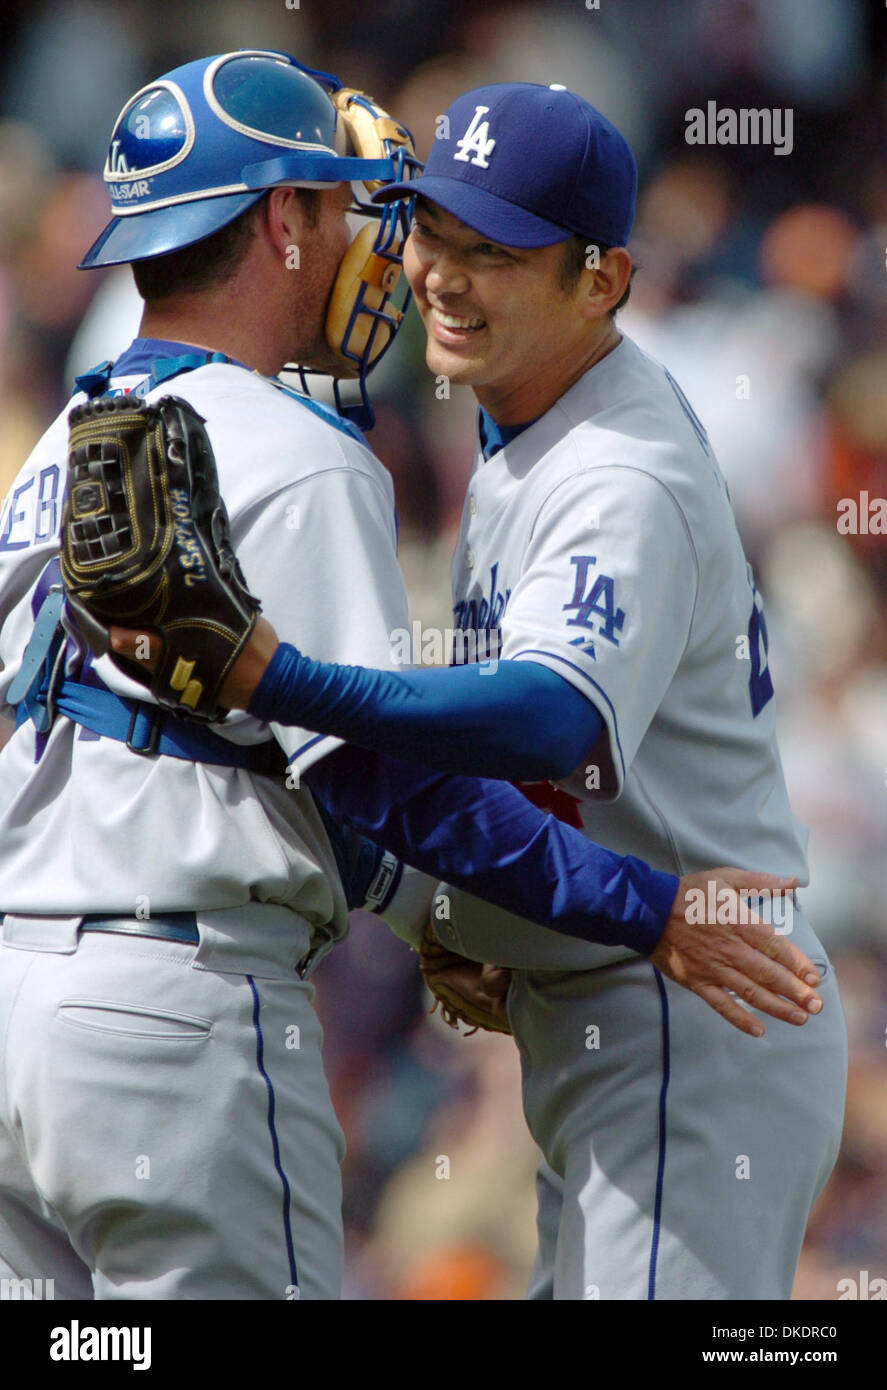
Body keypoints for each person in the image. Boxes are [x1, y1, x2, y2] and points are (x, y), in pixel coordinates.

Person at [0, 55, 821, 1303]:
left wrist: (290, 689)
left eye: (484, 244)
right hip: (191, 1008)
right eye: (406, 220)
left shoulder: (60, 444)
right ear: (285, 218)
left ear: (600, 277)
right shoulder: (321, 450)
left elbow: (486, 737)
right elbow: (387, 788)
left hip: (687, 996)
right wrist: (541, 906)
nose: (420, 263)